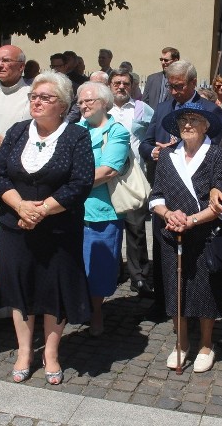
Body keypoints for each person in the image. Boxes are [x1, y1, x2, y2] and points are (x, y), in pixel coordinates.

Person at [0, 71, 93, 385]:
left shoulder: (76, 136)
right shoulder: (18, 131)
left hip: (59, 231)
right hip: (15, 228)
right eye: (34, 96)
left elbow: (81, 182)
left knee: (54, 291)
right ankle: (24, 351)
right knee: (21, 289)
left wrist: (42, 210)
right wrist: (21, 206)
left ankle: (50, 353)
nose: (36, 101)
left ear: (61, 104)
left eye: (45, 97)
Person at [149, 103, 222, 373]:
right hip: (172, 233)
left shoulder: (217, 155)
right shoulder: (168, 155)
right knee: (175, 288)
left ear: (206, 126)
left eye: (194, 120)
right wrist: (168, 214)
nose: (187, 124)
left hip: (204, 233)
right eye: (184, 119)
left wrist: (191, 220)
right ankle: (181, 343)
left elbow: (221, 200)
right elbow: (156, 195)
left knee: (206, 289)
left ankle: (206, 344)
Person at [77, 81, 130, 335]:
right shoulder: (74, 130)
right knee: (75, 264)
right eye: (80, 101)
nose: (83, 105)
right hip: (72, 210)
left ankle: (96, 312)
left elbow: (108, 170)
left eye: (89, 100)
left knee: (99, 268)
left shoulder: (116, 131)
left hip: (103, 211)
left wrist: (72, 184)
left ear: (105, 103)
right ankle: (77, 306)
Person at [107, 69, 155, 297]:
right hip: (105, 176)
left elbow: (153, 135)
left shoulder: (141, 109)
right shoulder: (102, 108)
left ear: (132, 86)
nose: (121, 87)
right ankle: (113, 271)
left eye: (126, 83)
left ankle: (139, 276)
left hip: (133, 176)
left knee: (136, 229)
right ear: (110, 85)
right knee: (109, 226)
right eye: (117, 83)